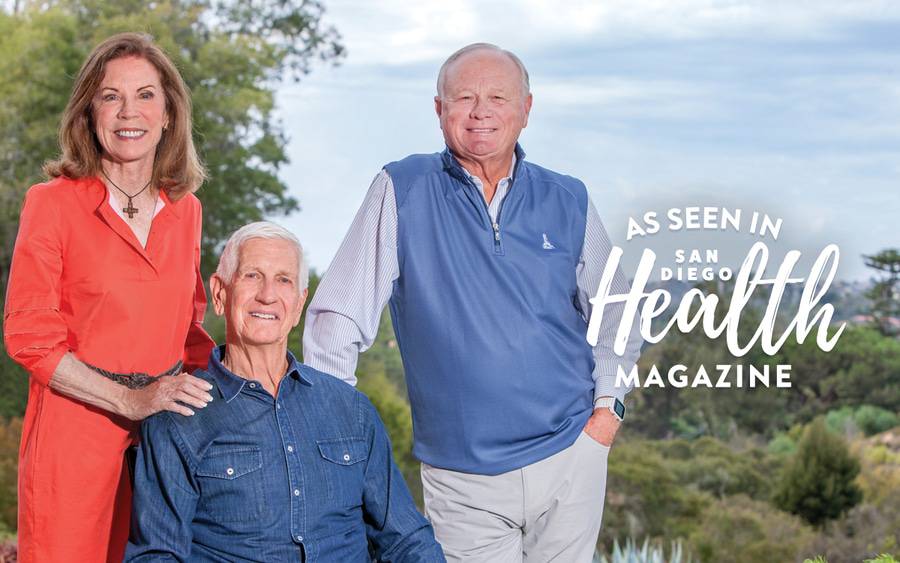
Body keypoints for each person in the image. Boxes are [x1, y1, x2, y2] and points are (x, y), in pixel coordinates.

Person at [303, 43, 643, 561]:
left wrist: (608, 411)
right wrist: (340, 433)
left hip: (571, 455)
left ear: (526, 109)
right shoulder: (402, 188)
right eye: (464, 97)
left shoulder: (567, 197)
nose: (481, 111)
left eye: (498, 97)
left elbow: (619, 308)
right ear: (439, 110)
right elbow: (336, 318)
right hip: (462, 477)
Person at [3, 33, 216, 562]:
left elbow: (189, 332)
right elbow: (29, 339)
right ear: (88, 112)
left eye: (145, 95)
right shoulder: (51, 204)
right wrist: (128, 399)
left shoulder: (185, 209)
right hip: (72, 441)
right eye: (110, 96)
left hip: (162, 444)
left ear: (169, 113)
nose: (129, 112)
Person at [125, 222, 445, 562]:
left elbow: (406, 539)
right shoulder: (180, 420)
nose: (267, 294)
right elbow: (156, 555)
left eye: (284, 280)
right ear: (220, 294)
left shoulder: (351, 410)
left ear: (298, 304)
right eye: (252, 276)